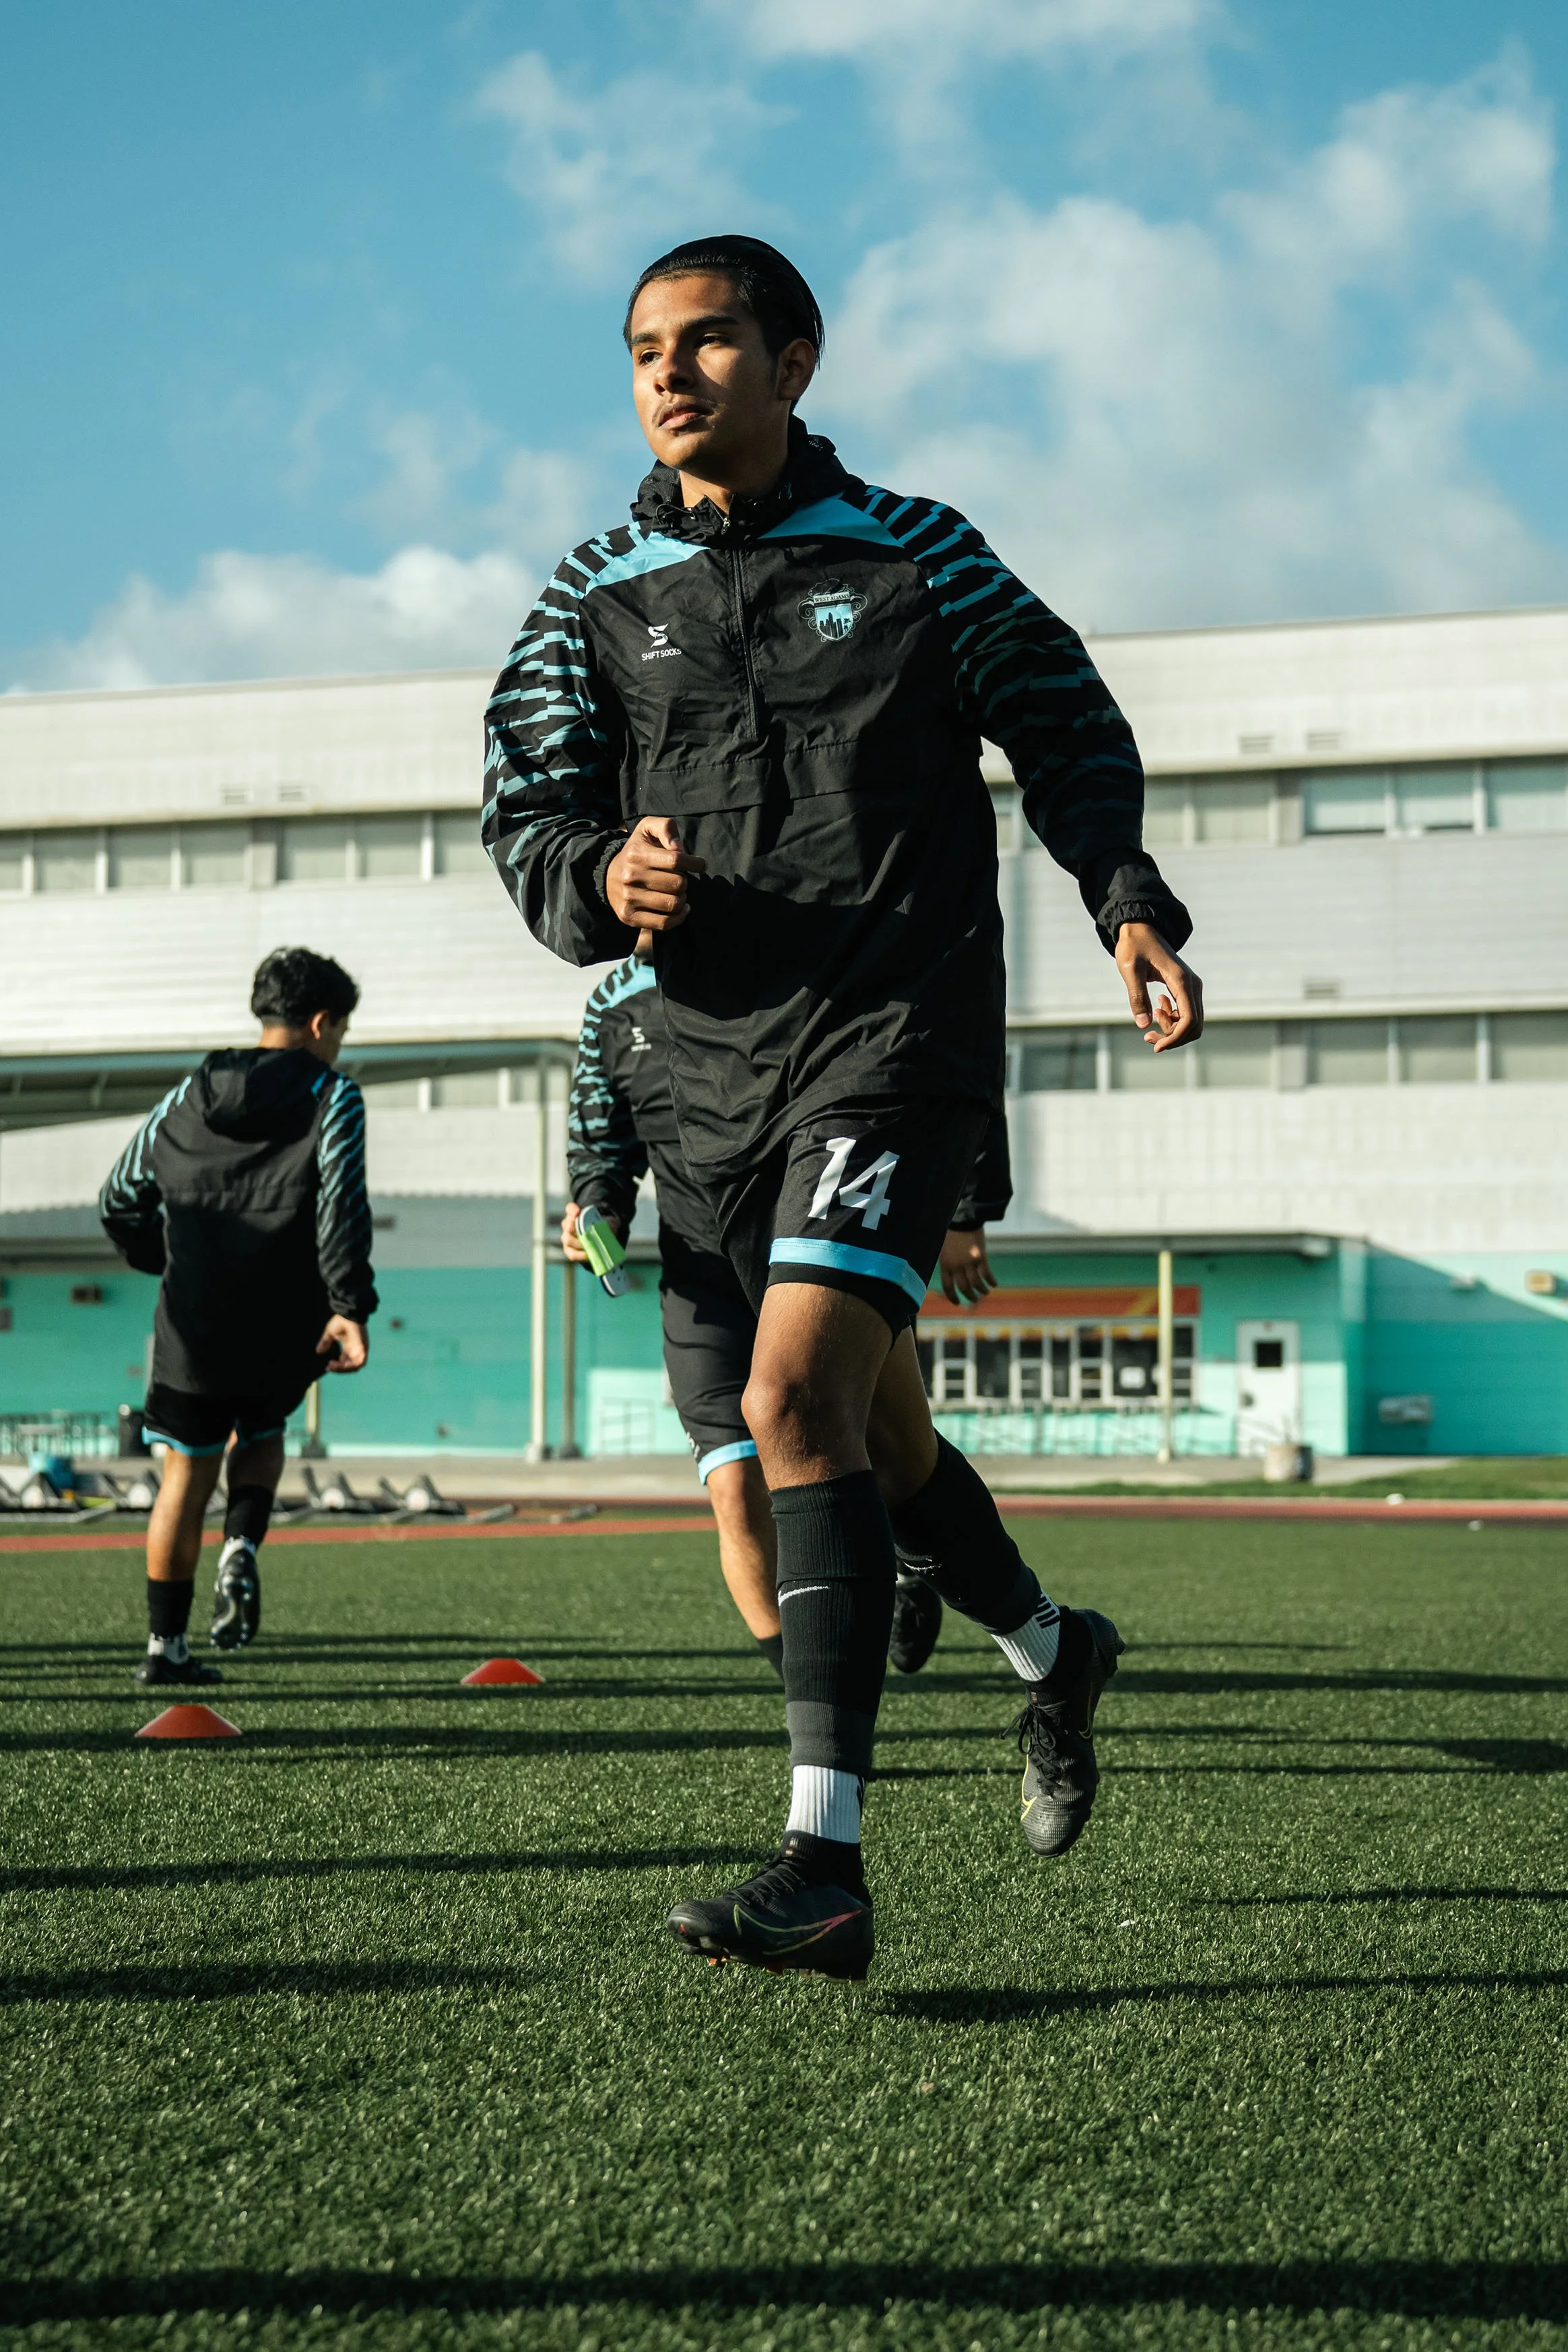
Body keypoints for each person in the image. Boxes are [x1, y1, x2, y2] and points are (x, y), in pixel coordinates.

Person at [484, 234, 1202, 1981]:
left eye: (710, 339)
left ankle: (825, 1861)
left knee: (786, 1390)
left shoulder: (922, 552)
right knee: (873, 1434)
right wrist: (605, 877)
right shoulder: (594, 589)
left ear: (795, 360)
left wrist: (1124, 894)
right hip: (708, 1072)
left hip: (896, 1033)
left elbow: (1065, 716)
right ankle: (1047, 1648)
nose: (672, 372)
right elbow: (528, 810)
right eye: (646, 347)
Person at [562, 943, 1011, 1677]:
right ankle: (811, 1693)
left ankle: (936, 1584)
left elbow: (928, 1056)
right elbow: (598, 1142)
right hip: (702, 1279)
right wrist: (594, 1211)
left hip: (824, 1256)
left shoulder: (793, 957)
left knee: (882, 1458)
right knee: (737, 1488)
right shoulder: (614, 1002)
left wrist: (966, 1208)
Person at [100, 947, 376, 1686]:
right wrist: (350, 1307)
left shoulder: (186, 1096)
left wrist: (166, 1259)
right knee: (262, 1433)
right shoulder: (333, 1095)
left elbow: (119, 1196)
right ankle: (242, 1547)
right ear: (321, 1022)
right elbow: (340, 1211)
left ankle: (165, 1649)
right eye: (340, 1029)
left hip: (191, 1320)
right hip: (284, 1318)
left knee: (183, 1476)